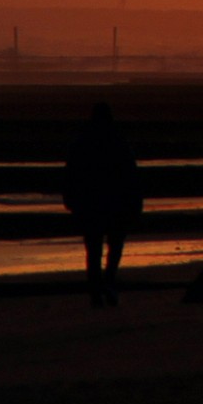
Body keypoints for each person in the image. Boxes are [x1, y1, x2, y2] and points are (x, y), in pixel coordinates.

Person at [62, 103, 144, 307]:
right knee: (114, 246)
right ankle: (107, 283)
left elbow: (71, 174)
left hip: (91, 204)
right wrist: (135, 201)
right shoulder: (118, 143)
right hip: (115, 203)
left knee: (94, 248)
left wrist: (70, 198)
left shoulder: (82, 144)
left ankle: (97, 288)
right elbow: (131, 175)